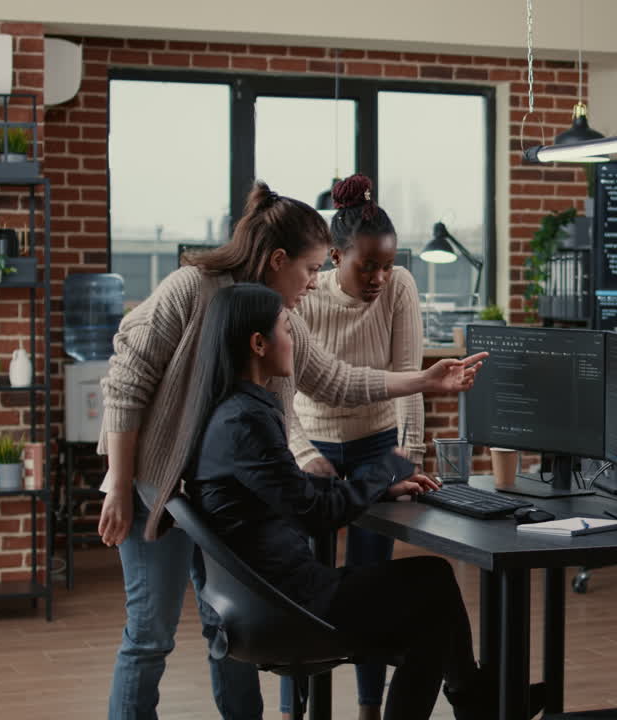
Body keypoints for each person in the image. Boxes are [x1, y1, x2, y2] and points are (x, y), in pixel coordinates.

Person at [96, 181, 486, 720]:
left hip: (212, 491)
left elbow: (338, 382)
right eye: (309, 269)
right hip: (153, 484)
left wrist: (423, 381)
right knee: (150, 635)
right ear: (278, 260)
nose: (314, 282)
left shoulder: (278, 315)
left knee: (225, 626)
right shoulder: (194, 288)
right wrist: (118, 483)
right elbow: (126, 380)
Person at [182, 283, 496, 720]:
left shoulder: (228, 411)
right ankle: (476, 702)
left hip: (263, 598)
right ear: (258, 344)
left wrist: (376, 487)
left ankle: (475, 701)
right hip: (288, 605)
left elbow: (297, 493)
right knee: (434, 586)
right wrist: (388, 467)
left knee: (429, 611)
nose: (294, 340)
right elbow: (315, 513)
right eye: (287, 330)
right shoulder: (247, 420)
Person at [276, 175, 422, 718]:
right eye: (368, 267)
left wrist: (410, 457)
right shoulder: (303, 294)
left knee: (371, 587)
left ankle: (367, 707)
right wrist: (302, 454)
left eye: (388, 264)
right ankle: (297, 708)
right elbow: (282, 395)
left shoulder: (399, 287)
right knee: (305, 589)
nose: (381, 277)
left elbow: (410, 377)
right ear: (335, 256)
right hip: (311, 445)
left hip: (377, 443)